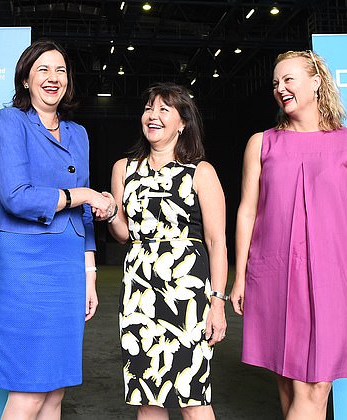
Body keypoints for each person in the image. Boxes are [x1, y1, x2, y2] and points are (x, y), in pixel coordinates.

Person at [230, 50, 347, 420]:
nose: (280, 88)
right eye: (276, 83)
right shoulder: (260, 144)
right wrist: (240, 276)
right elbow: (247, 212)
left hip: (333, 280)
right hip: (274, 275)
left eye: (289, 79)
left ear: (316, 82)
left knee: (314, 388)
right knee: (288, 383)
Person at [0, 39, 113, 419]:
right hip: (24, 267)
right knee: (28, 394)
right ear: (25, 79)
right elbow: (16, 197)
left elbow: (85, 215)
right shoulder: (8, 121)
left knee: (56, 392)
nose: (52, 78)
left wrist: (89, 275)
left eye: (60, 70)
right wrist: (83, 194)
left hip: (68, 269)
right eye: (42, 69)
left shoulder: (78, 133)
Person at [108, 82, 228, 419]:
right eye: (149, 108)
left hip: (188, 294)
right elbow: (122, 234)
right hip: (139, 293)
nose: (153, 116)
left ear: (183, 122)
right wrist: (109, 212)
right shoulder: (124, 169)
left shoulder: (201, 173)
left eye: (164, 109)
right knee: (148, 396)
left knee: (194, 396)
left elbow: (218, 242)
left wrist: (217, 303)